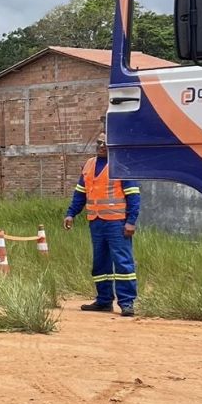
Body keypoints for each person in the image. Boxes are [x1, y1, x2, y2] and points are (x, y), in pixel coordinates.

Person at [64, 132, 141, 316]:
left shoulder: (121, 165)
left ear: (113, 145)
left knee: (123, 263)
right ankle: (104, 300)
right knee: (100, 264)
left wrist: (131, 222)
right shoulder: (89, 165)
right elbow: (80, 194)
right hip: (96, 221)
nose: (101, 146)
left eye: (105, 143)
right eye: (98, 143)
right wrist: (71, 213)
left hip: (117, 223)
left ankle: (126, 302)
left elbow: (133, 196)